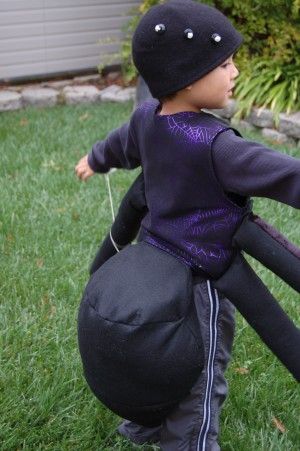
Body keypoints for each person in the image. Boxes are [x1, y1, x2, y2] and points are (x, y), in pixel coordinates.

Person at [75, 1, 300, 449]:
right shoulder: (217, 147)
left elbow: (121, 145)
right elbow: (287, 175)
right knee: (199, 368)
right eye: (226, 63)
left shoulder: (147, 119)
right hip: (204, 284)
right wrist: (100, 158)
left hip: (154, 265)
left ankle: (145, 421)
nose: (236, 71)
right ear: (188, 76)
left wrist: (95, 159)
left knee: (156, 353)